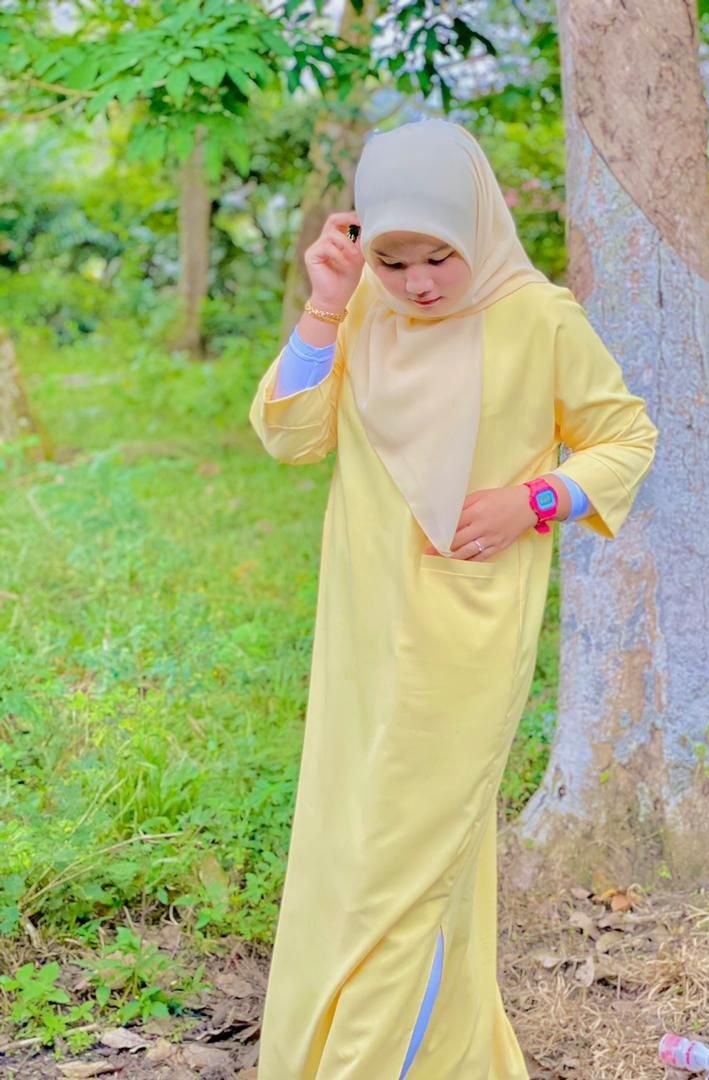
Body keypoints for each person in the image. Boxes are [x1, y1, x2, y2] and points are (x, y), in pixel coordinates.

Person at [248, 118, 658, 1080]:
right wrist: (326, 305)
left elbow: (626, 437)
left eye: (440, 256)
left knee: (409, 865)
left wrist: (537, 499)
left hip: (468, 632)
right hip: (361, 630)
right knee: (348, 846)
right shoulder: (362, 312)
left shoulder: (538, 316)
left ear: (479, 223)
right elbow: (290, 436)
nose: (421, 283)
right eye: (393, 260)